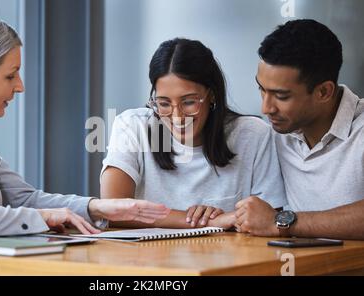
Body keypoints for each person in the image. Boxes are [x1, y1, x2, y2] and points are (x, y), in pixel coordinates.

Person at [0, 12, 170, 240]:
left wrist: (96, 207)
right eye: (10, 75)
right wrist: (44, 217)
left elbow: (23, 198)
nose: (20, 86)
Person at [100, 38, 286, 229]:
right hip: (149, 257)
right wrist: (209, 222)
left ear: (212, 95)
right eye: (163, 103)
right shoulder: (132, 125)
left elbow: (268, 220)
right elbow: (112, 210)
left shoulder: (253, 135)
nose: (177, 116)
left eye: (189, 102)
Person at [235, 19, 364, 240]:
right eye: (261, 89)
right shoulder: (274, 132)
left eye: (282, 96)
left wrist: (283, 223)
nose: (266, 108)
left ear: (323, 92)